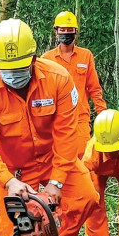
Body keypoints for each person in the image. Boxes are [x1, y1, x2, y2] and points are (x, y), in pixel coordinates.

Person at [0, 19, 99, 236]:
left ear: (33, 57)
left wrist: (57, 182)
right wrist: (8, 181)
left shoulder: (57, 78)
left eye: (19, 67)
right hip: (13, 170)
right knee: (13, 228)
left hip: (54, 159)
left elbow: (67, 133)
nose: (13, 73)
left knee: (86, 196)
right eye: (6, 68)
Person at [42, 11, 106, 158]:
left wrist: (102, 114)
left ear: (76, 32)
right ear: (56, 31)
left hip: (80, 118)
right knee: (55, 159)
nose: (66, 33)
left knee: (83, 158)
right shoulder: (46, 59)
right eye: (62, 30)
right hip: (54, 119)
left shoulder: (86, 55)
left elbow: (94, 88)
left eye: (69, 30)